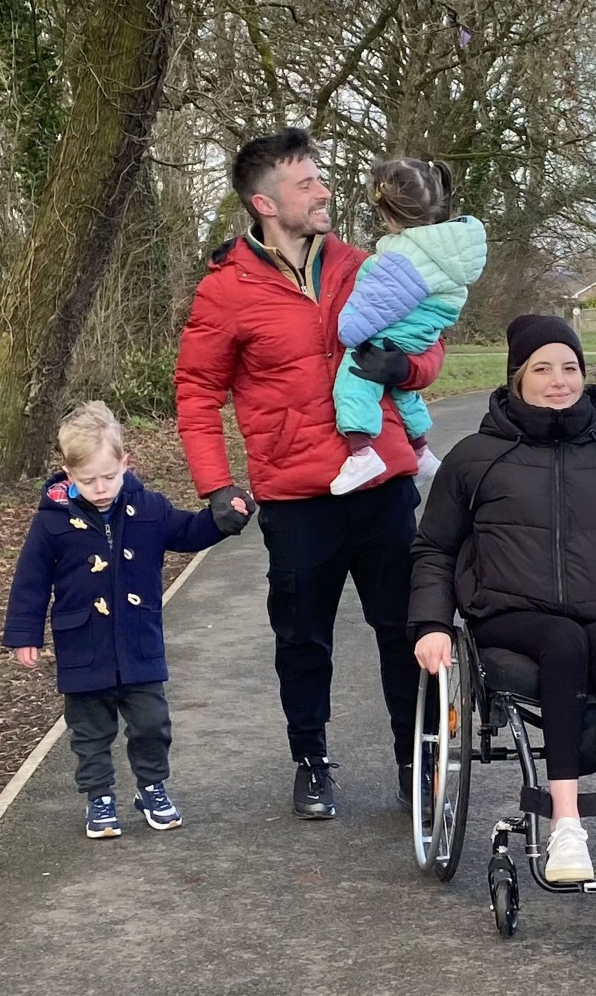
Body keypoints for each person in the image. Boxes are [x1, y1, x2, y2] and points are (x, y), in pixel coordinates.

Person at [175, 128, 445, 820]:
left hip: (382, 484)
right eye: (306, 183)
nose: (323, 190)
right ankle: (311, 761)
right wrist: (216, 484)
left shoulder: (363, 263)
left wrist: (405, 370)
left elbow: (426, 344)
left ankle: (414, 766)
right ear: (264, 202)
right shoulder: (224, 290)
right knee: (302, 638)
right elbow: (197, 392)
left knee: (404, 631)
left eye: (320, 178)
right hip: (298, 500)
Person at [408, 314, 596, 882]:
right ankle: (565, 826)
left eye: (569, 367)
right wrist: (430, 624)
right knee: (567, 638)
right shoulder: (475, 458)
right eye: (542, 368)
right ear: (517, 378)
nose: (558, 380)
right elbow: (434, 549)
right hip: (512, 618)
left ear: (584, 374)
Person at [3, 401, 252, 839]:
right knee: (90, 731)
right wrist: (25, 634)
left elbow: (189, 533)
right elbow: (31, 580)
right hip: (83, 646)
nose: (100, 488)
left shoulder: (149, 508)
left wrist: (224, 520)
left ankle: (152, 786)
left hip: (140, 643)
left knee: (152, 723)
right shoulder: (51, 522)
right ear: (67, 473)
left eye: (109, 476)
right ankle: (99, 797)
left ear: (125, 463)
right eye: (87, 480)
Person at [329, 158, 487, 495]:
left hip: (395, 332)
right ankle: (421, 450)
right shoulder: (448, 247)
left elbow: (370, 310)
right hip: (424, 330)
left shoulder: (402, 256)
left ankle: (361, 452)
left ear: (389, 213)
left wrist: (348, 330)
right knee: (401, 390)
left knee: (353, 380)